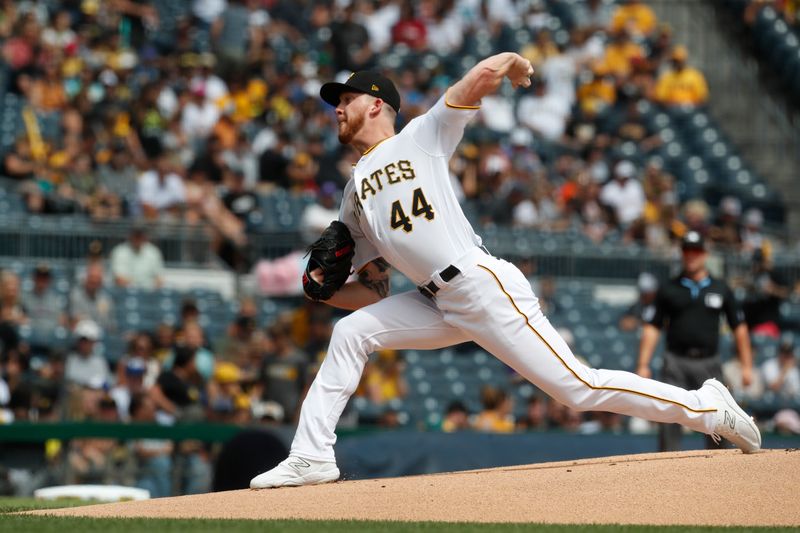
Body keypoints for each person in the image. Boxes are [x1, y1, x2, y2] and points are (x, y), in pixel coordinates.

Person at [250, 54, 761, 489]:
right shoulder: (354, 192)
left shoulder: (420, 138)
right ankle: (313, 455)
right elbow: (371, 291)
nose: (336, 107)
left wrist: (510, 63)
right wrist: (321, 291)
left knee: (578, 388)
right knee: (351, 333)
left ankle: (706, 407)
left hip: (479, 283)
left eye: (346, 98)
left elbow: (469, 86)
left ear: (376, 104)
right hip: (435, 302)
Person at [637, 231, 754, 452]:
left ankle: (721, 467)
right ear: (682, 253)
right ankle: (667, 466)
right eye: (687, 251)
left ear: (705, 254)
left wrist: (747, 366)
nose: (691, 255)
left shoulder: (721, 288)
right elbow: (652, 326)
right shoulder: (669, 288)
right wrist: (643, 364)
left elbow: (739, 327)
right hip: (676, 362)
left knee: (719, 416)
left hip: (709, 363)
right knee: (669, 414)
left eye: (696, 251)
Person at [109, 224, 165, 290]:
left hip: (149, 293)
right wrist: (145, 285)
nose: (138, 238)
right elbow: (119, 279)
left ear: (145, 236)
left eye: (140, 235)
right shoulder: (119, 251)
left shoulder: (153, 252)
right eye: (136, 235)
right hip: (125, 293)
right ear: (130, 236)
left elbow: (160, 279)